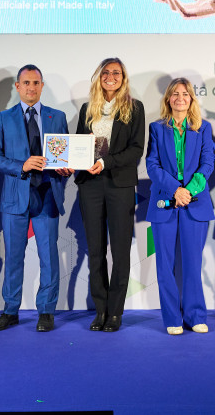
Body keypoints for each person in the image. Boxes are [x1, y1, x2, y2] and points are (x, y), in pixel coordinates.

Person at [0, 65, 73, 332]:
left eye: (36, 82)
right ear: (17, 86)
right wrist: (21, 165)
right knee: (13, 257)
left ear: (42, 86)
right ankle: (10, 311)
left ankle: (46, 311)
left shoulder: (57, 117)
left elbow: (65, 156)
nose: (31, 87)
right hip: (15, 197)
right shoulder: (4, 118)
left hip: (47, 194)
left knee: (49, 257)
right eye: (26, 83)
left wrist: (65, 167)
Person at [74, 58, 146, 332]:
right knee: (95, 251)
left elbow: (136, 149)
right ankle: (100, 310)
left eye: (116, 73)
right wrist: (72, 161)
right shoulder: (86, 108)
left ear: (123, 77)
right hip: (90, 186)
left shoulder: (134, 108)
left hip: (120, 185)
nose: (111, 76)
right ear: (99, 77)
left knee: (119, 251)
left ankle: (115, 313)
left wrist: (106, 162)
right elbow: (80, 146)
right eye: (106, 72)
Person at [145, 78, 215, 335]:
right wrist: (176, 189)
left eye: (185, 94)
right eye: (175, 94)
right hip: (164, 203)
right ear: (168, 99)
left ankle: (195, 316)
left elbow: (208, 163)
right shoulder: (156, 128)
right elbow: (152, 165)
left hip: (195, 204)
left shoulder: (203, 128)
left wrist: (189, 191)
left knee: (193, 264)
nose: (180, 98)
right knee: (165, 266)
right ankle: (173, 318)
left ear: (191, 99)